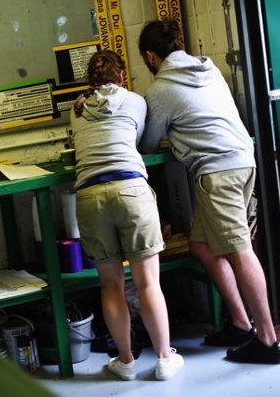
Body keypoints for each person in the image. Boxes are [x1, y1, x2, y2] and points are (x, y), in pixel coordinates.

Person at [137, 19, 280, 364]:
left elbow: (144, 144)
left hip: (217, 173)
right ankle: (240, 323)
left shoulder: (160, 88)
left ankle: (267, 341)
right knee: (202, 246)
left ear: (150, 56)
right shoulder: (208, 67)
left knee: (239, 249)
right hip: (244, 161)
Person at [70, 49, 184, 381]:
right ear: (121, 76)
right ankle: (164, 359)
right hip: (131, 190)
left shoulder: (77, 108)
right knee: (148, 282)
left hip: (90, 195)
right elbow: (138, 142)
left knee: (110, 285)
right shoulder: (135, 101)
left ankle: (125, 361)